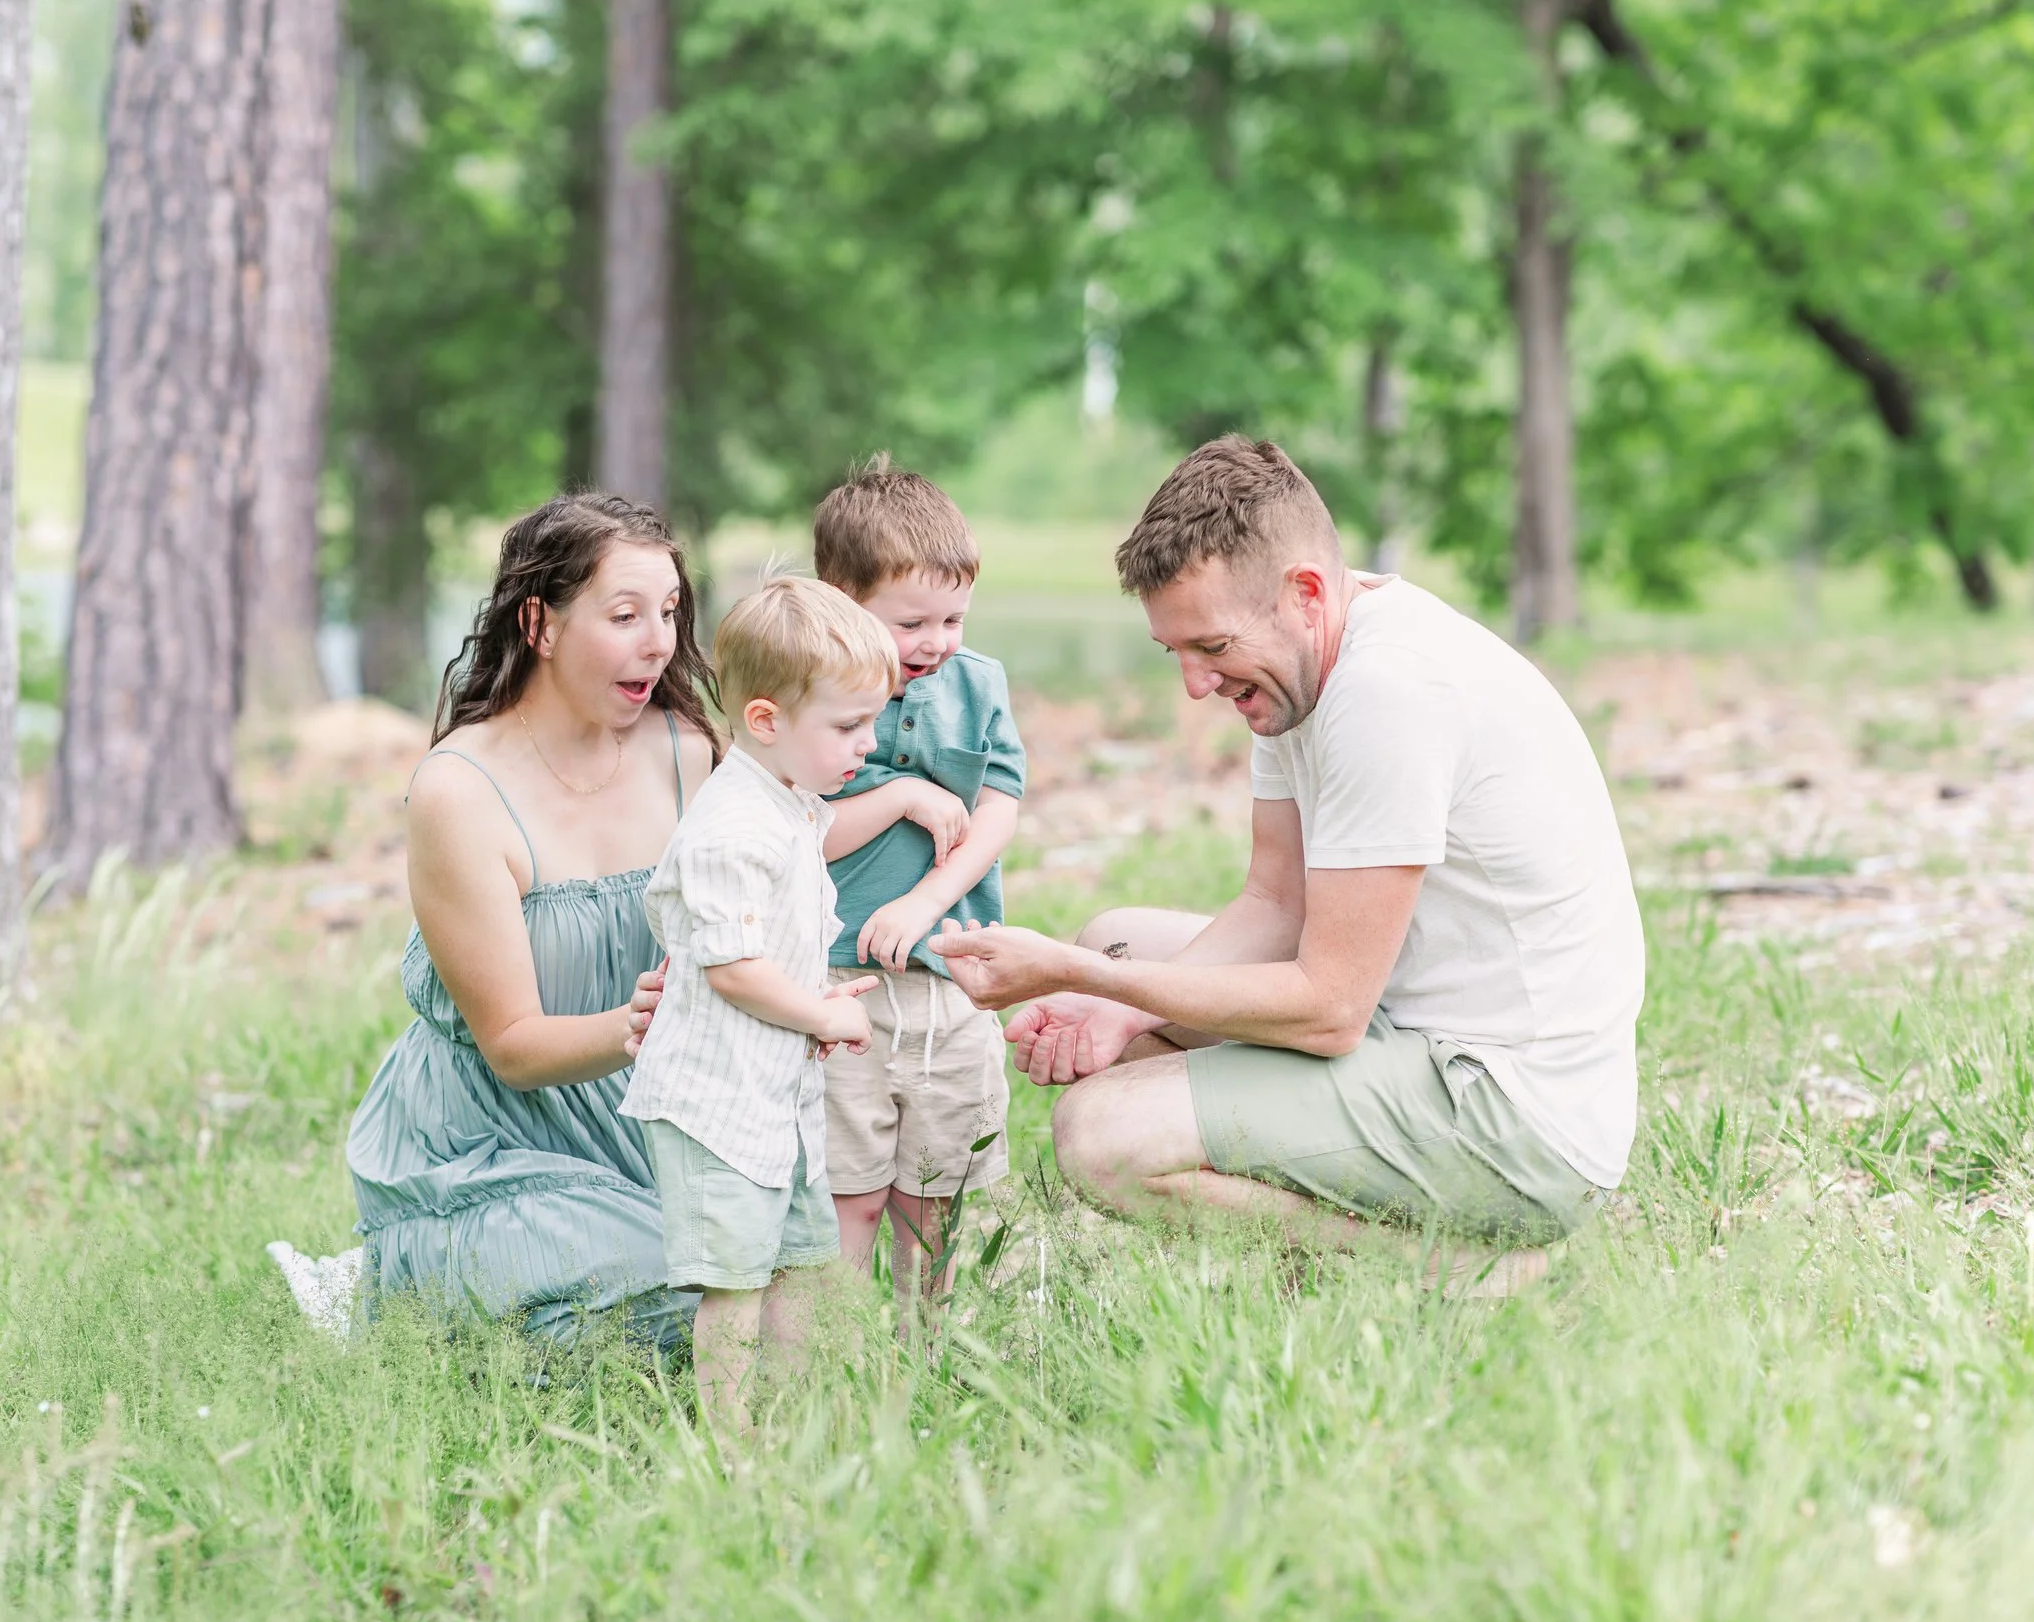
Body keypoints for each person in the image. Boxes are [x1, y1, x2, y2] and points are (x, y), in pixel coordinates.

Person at [929, 436, 1644, 1293]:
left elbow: (1331, 1007)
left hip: (1512, 1116)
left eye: (1213, 646)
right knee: (1123, 938)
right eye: (1177, 653)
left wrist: (1084, 978)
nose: (1198, 684)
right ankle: (1306, 1277)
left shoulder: (1388, 694)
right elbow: (1274, 902)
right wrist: (1113, 995)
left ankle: (1456, 1266)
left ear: (1303, 592)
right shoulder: (1300, 668)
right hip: (1414, 1028)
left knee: (1100, 1133)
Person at [339, 493, 718, 1347]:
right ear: (540, 623)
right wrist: (654, 1020)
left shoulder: (683, 751)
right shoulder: (458, 792)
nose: (658, 641)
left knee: (774, 1284)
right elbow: (512, 1043)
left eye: (667, 611)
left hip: (647, 1116)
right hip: (487, 1142)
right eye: (624, 615)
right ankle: (400, 1292)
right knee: (683, 1311)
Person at [620, 577, 895, 1429]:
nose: (869, 743)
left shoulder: (791, 805)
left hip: (775, 1097)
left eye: (871, 720)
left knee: (800, 1262)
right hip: (718, 1102)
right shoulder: (729, 826)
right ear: (768, 721)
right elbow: (734, 968)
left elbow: (767, 950)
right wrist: (821, 1014)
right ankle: (731, 1441)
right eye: (848, 726)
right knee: (734, 1280)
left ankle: (793, 1416)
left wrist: (811, 995)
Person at [807, 461, 1025, 1301]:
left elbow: (999, 808)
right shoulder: (802, 694)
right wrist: (899, 795)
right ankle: (832, 1348)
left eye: (953, 618)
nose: (936, 641)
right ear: (839, 599)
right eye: (911, 623)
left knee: (937, 1189)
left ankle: (921, 1352)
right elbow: (797, 837)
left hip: (950, 973)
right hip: (835, 977)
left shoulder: (977, 685)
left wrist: (928, 900)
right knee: (846, 1187)